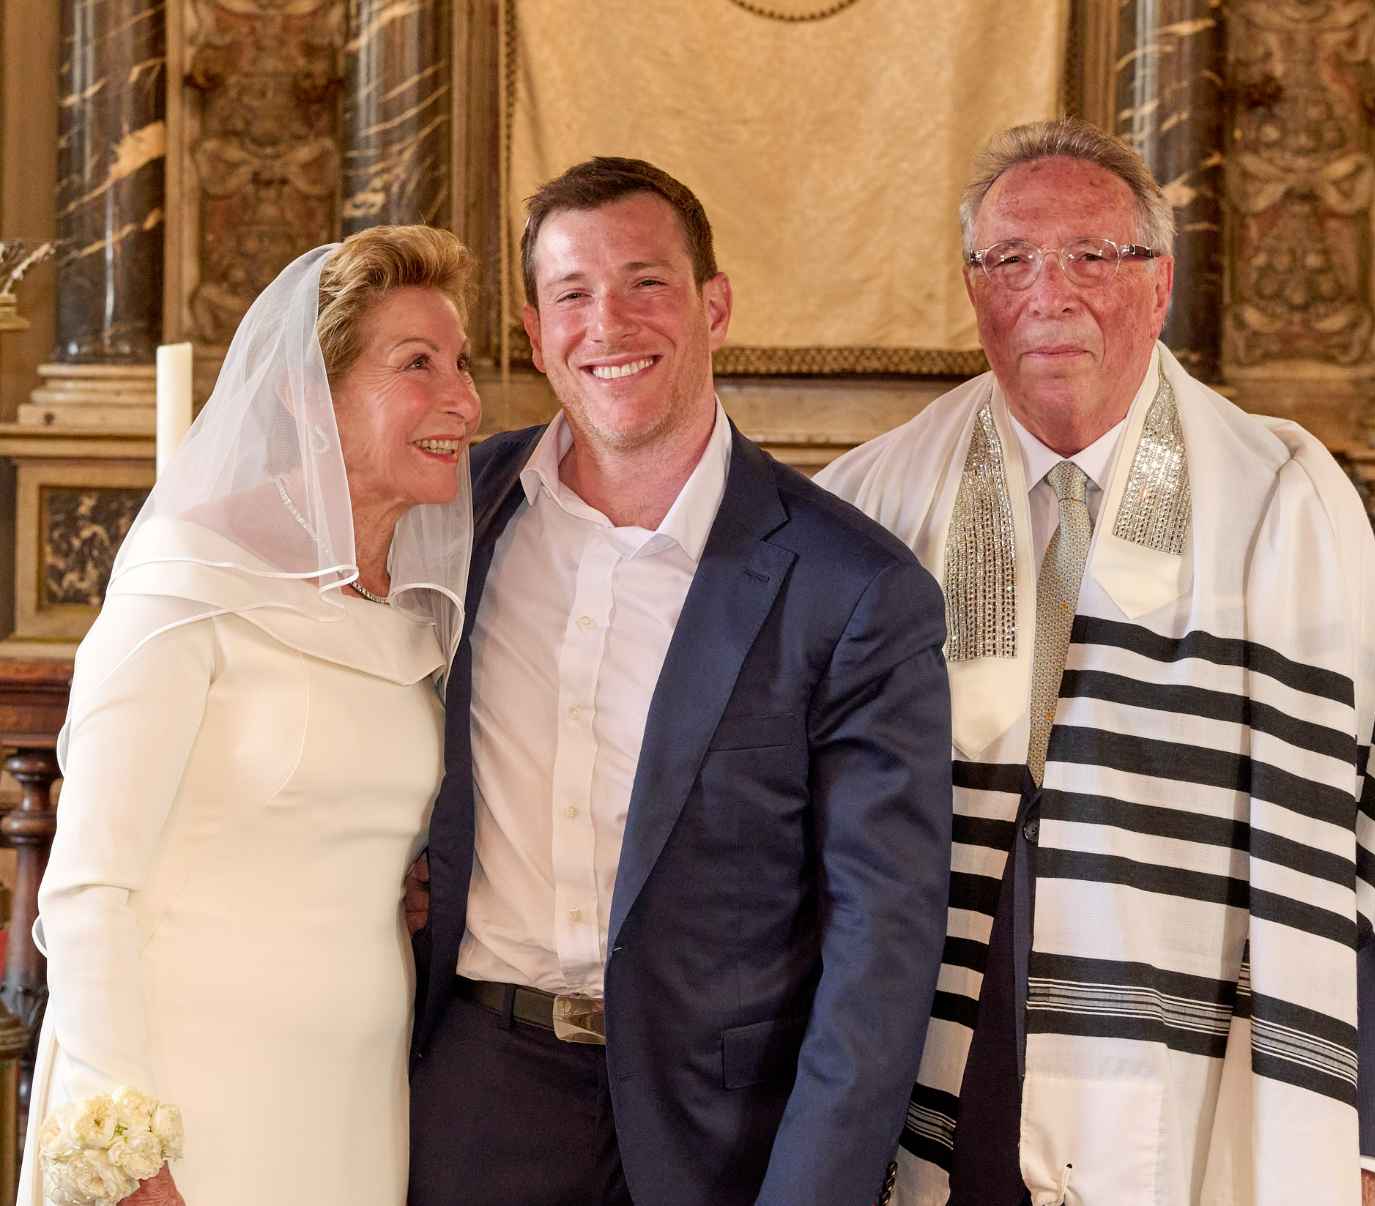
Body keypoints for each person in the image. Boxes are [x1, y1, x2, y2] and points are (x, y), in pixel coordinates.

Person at [816, 118, 1375, 1206]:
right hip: (948, 1023)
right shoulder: (872, 499)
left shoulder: (1282, 503)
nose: (1049, 293)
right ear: (973, 290)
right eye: (1010, 259)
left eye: (1091, 256)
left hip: (1190, 1029)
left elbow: (1367, 819)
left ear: (1160, 283)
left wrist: (1368, 1144)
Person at [404, 156, 953, 1206]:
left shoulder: (853, 587)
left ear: (715, 306)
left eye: (646, 282)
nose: (608, 323)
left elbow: (879, 953)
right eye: (573, 293)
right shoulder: (448, 518)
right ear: (534, 332)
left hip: (725, 1131)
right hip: (478, 1095)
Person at [18, 226, 482, 1206]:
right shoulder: (186, 587)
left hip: (351, 1103)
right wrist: (125, 1143)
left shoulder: (412, 624)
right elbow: (88, 888)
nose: (464, 401)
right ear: (308, 396)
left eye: (463, 364)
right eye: (417, 364)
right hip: (188, 1097)